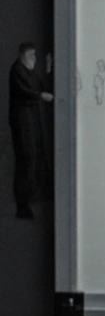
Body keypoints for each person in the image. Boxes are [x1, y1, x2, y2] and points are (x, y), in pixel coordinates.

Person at [8, 42, 53, 218]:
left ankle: (29, 201)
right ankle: (23, 204)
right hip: (22, 123)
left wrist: (49, 68)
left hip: (31, 122)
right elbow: (25, 91)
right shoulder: (17, 70)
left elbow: (41, 86)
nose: (34, 58)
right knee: (26, 161)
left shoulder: (29, 72)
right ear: (23, 55)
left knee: (33, 159)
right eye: (32, 55)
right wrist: (40, 96)